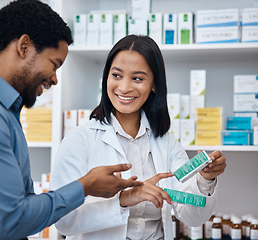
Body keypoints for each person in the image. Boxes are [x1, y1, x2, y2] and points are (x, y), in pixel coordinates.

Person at [0, 1, 143, 239]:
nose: (54, 79)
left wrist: (4, 218)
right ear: (24, 47)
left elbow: (19, 210)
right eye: (54, 65)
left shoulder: (2, 110)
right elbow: (14, 221)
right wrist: (85, 186)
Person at [49, 35, 227, 240]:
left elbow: (191, 216)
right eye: (116, 75)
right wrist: (124, 199)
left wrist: (205, 179)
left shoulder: (166, 143)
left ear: (154, 85)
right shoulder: (80, 140)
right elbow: (63, 220)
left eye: (137, 78)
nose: (124, 88)